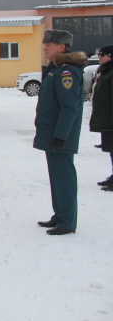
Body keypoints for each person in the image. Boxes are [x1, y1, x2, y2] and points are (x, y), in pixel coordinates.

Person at [33, 29, 86, 235]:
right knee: (57, 177)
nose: (45, 48)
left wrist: (60, 136)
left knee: (64, 178)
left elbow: (69, 108)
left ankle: (67, 222)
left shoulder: (67, 72)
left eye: (49, 44)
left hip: (59, 136)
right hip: (53, 134)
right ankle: (60, 215)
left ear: (61, 47)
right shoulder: (57, 69)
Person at [89, 44, 113, 191]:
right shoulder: (105, 71)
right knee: (111, 149)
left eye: (103, 54)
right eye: (99, 54)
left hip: (110, 118)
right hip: (107, 118)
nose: (99, 57)